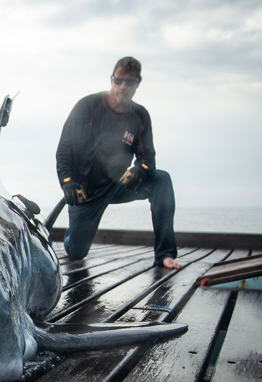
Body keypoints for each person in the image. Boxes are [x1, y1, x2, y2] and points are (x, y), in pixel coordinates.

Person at [56, 56, 180, 269]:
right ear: (111, 80)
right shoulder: (87, 106)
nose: (123, 86)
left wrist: (140, 170)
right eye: (119, 80)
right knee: (77, 253)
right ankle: (73, 232)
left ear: (137, 84)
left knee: (161, 180)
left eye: (130, 82)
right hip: (86, 193)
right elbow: (64, 151)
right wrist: (68, 182)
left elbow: (147, 157)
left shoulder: (140, 115)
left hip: (119, 185)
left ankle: (165, 254)